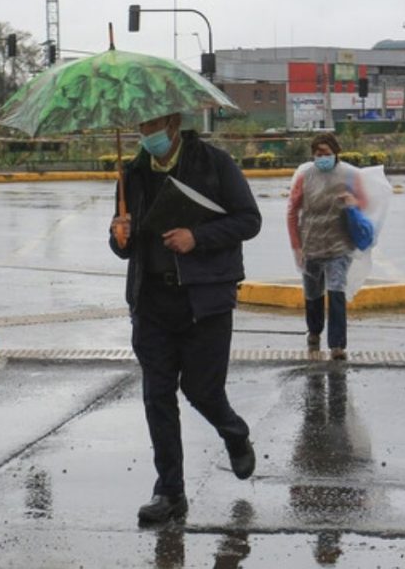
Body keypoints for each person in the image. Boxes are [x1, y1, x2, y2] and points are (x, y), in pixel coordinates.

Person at [108, 112, 261, 524]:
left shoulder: (214, 163)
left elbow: (249, 220)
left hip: (204, 300)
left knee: (202, 390)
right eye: (141, 126)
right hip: (151, 301)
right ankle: (170, 491)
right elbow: (125, 245)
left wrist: (198, 237)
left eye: (152, 124)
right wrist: (119, 236)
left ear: (173, 121)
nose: (146, 133)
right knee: (157, 396)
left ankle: (234, 433)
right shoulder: (131, 173)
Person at [286, 133, 366, 361]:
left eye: (326, 153)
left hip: (339, 246)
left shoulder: (349, 175)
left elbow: (364, 202)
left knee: (336, 291)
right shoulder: (305, 176)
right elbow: (292, 211)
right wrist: (296, 246)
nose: (322, 158)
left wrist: (353, 203)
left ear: (335, 153)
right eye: (318, 154)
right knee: (312, 294)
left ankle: (337, 345)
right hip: (311, 244)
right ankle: (314, 331)